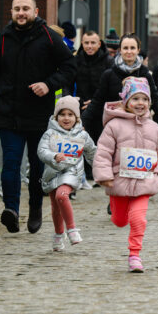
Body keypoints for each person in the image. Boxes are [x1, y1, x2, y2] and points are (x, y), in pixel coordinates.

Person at [0, 0, 77, 234]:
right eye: (17, 9)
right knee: (10, 165)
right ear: (11, 12)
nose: (21, 13)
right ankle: (11, 210)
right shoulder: (2, 39)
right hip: (9, 113)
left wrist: (48, 84)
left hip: (39, 115)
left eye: (25, 8)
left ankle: (35, 207)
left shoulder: (49, 36)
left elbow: (69, 66)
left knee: (37, 167)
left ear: (36, 11)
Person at [93, 77, 158, 272]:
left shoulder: (155, 128)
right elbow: (103, 152)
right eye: (135, 99)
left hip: (145, 181)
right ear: (126, 102)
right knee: (119, 221)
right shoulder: (114, 126)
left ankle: (135, 255)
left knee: (138, 219)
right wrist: (104, 175)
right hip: (119, 182)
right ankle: (117, 212)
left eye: (145, 99)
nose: (141, 103)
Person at [36, 96, 96, 251]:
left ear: (77, 118)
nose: (66, 118)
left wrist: (99, 169)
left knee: (62, 195)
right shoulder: (49, 134)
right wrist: (53, 156)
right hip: (52, 173)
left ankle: (72, 229)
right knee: (56, 206)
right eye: (62, 114)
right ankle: (58, 235)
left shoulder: (82, 135)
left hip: (72, 171)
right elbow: (41, 150)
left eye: (70, 114)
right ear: (56, 117)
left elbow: (92, 152)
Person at [82, 34, 158, 143]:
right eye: (125, 48)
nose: (129, 51)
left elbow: (154, 97)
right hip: (115, 126)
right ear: (120, 50)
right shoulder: (109, 74)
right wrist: (83, 121)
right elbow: (97, 101)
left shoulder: (145, 74)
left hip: (139, 125)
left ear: (138, 50)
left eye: (132, 48)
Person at [73, 30, 112, 111]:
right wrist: (73, 102)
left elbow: (111, 87)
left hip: (102, 107)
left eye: (93, 43)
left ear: (99, 44)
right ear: (82, 43)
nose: (89, 46)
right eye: (86, 43)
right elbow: (67, 84)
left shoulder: (109, 61)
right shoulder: (76, 61)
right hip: (80, 106)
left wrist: (96, 103)